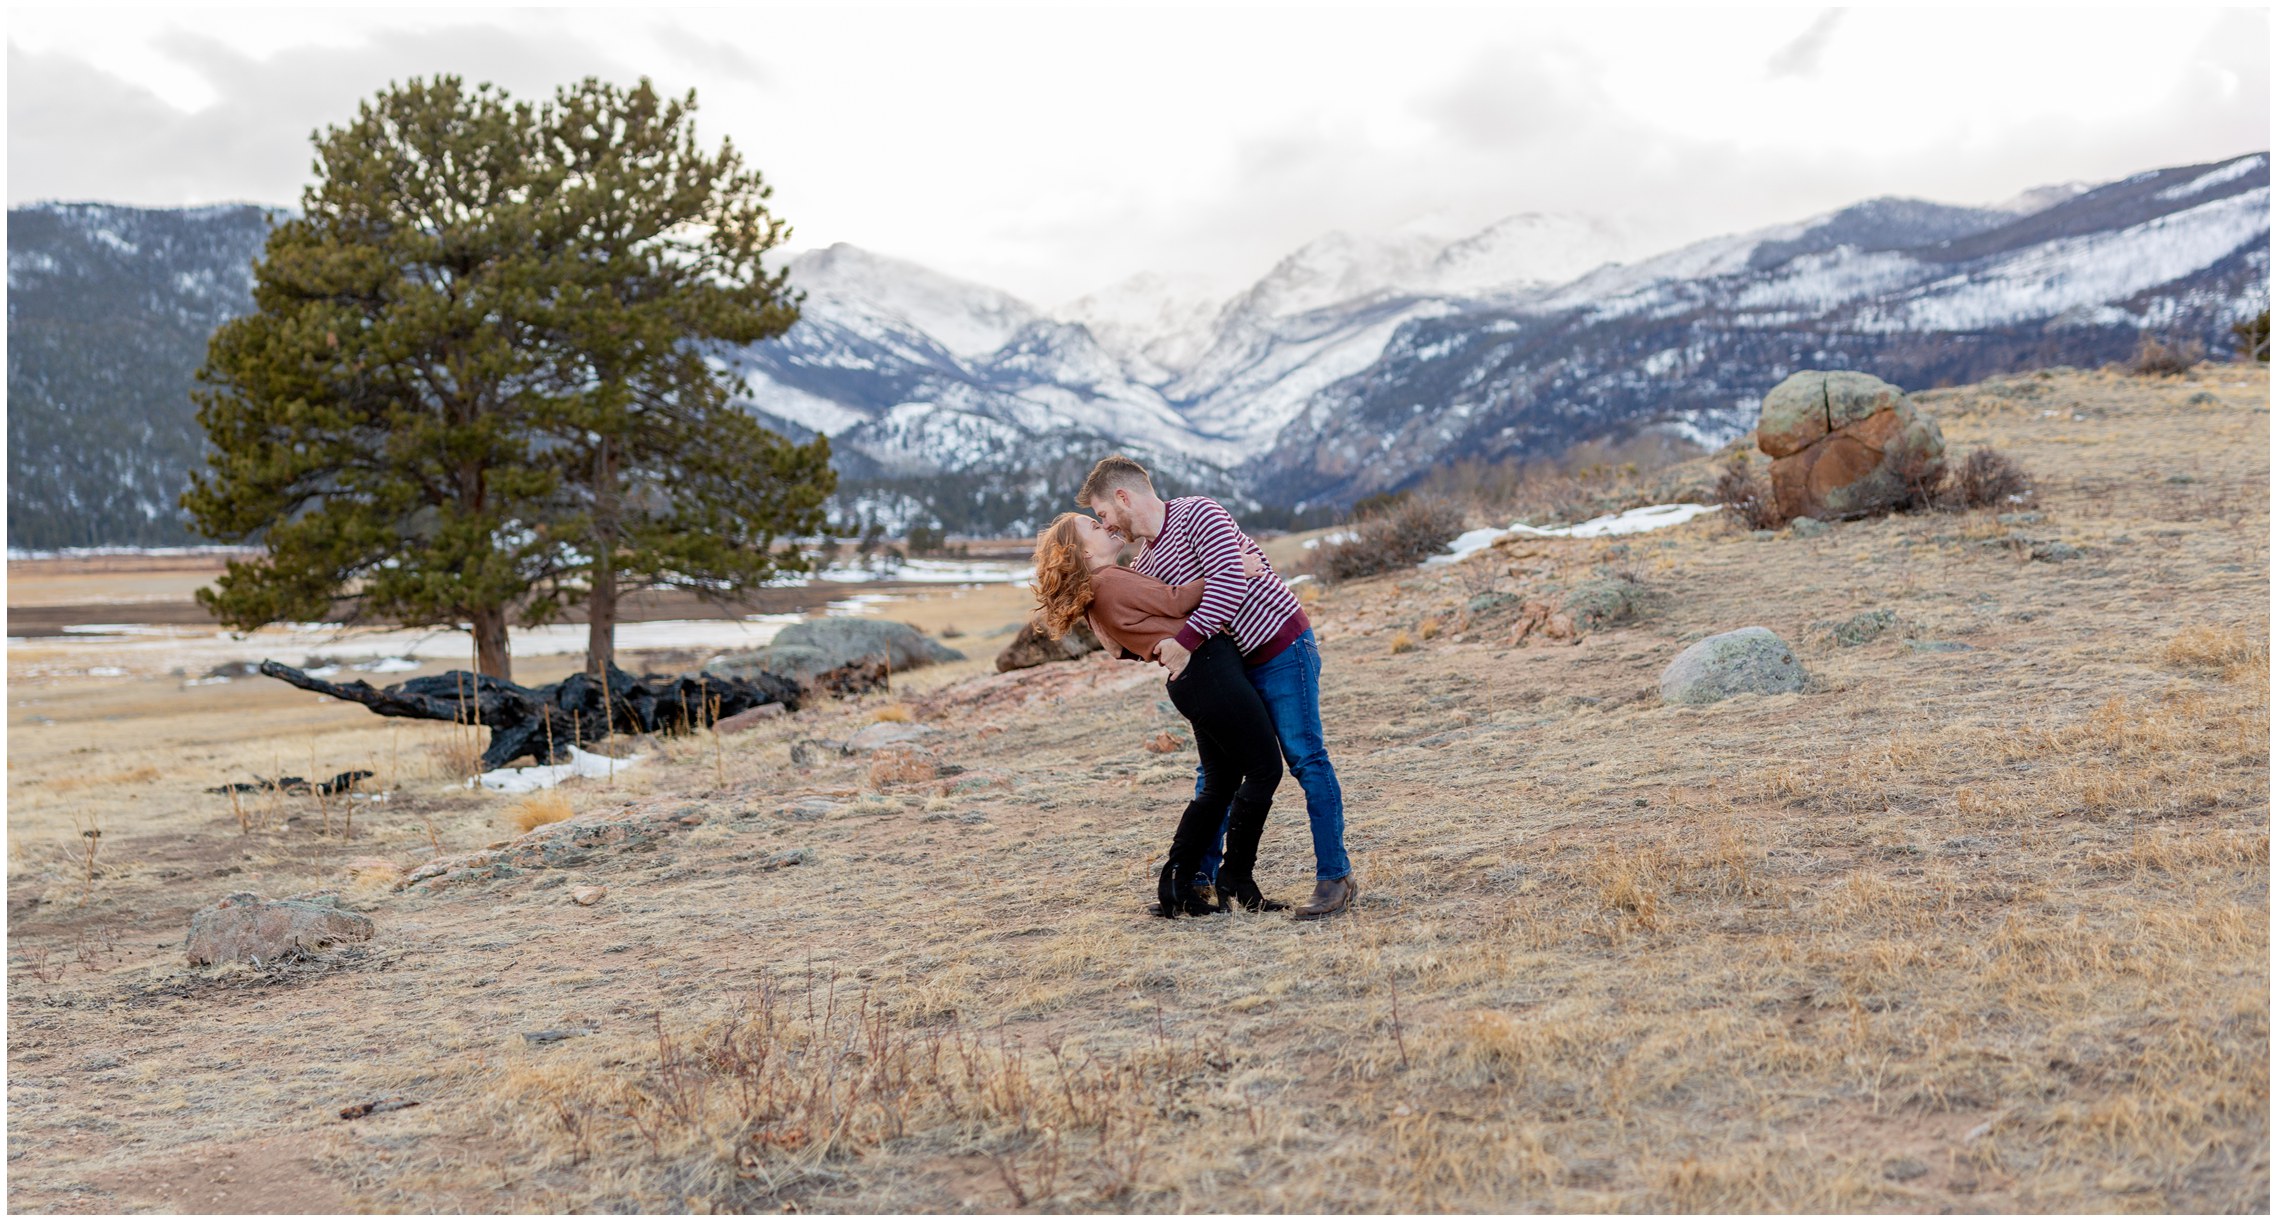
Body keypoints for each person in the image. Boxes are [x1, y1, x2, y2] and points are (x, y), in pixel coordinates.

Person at [1077, 455, 1357, 920]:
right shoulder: (1144, 562)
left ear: (1123, 497)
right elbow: (1167, 614)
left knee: (1304, 757)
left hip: (1281, 646)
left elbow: (1229, 585)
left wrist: (1186, 642)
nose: (1106, 525)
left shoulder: (1198, 513)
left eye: (1103, 513)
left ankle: (1335, 878)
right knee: (1216, 775)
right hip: (1233, 664)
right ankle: (1202, 882)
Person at [1030, 512, 1286, 917]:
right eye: (1094, 527)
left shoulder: (1098, 591)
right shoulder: (1109, 580)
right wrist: (1239, 569)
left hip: (1195, 677)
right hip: (1207, 669)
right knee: (1263, 769)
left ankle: (1177, 885)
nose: (1105, 527)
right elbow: (1176, 600)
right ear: (1081, 550)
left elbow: (1121, 648)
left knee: (1219, 785)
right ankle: (1234, 878)